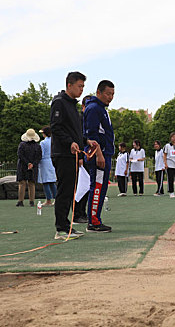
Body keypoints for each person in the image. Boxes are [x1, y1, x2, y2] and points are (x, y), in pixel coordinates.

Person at [51, 71, 96, 240]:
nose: (82, 90)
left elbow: (73, 131)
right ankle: (60, 228)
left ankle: (65, 224)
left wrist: (86, 141)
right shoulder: (59, 103)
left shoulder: (72, 105)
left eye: (83, 86)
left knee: (70, 191)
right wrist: (69, 142)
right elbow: (56, 127)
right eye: (79, 86)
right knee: (64, 190)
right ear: (69, 85)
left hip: (73, 153)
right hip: (62, 153)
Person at [83, 80, 115, 233]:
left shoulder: (101, 108)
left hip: (105, 153)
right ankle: (94, 222)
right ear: (99, 92)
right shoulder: (94, 108)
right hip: (98, 155)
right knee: (97, 187)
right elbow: (91, 135)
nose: (110, 97)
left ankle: (95, 219)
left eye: (113, 94)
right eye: (108, 94)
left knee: (101, 188)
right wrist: (99, 155)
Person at [73, 95, 94, 224]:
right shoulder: (79, 119)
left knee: (86, 186)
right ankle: (77, 214)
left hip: (87, 156)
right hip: (80, 156)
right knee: (80, 187)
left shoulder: (88, 119)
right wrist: (80, 156)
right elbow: (78, 137)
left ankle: (82, 212)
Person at [16, 129, 42, 207]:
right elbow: (39, 157)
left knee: (22, 183)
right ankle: (31, 201)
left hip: (22, 165)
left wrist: (27, 163)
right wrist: (33, 164)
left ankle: (20, 201)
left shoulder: (22, 145)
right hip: (33, 167)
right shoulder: (38, 146)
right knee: (32, 183)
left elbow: (20, 155)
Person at [38, 126, 57, 206]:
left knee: (45, 182)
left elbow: (41, 154)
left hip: (45, 162)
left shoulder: (43, 142)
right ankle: (56, 199)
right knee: (52, 182)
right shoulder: (54, 141)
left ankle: (48, 200)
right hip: (52, 160)